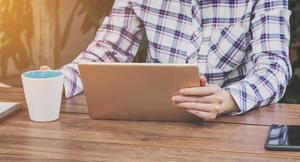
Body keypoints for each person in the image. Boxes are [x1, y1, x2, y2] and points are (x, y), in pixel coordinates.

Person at [41, 0, 292, 121]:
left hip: (234, 127)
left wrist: (227, 99)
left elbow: (274, 67)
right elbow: (108, 50)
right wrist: (58, 81)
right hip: (157, 127)